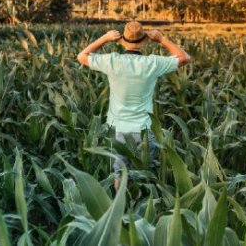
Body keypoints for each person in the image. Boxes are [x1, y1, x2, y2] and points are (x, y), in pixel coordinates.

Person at [77, 21, 191, 190]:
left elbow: (81, 56)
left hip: (119, 129)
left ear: (123, 39)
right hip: (145, 130)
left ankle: (123, 210)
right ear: (143, 41)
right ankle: (145, 209)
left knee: (119, 175)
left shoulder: (113, 61)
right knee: (145, 175)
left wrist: (105, 38)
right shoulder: (152, 63)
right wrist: (161, 39)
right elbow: (184, 58)